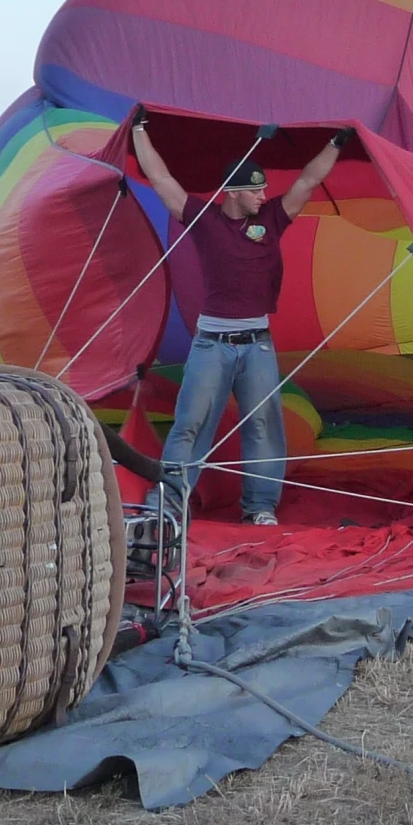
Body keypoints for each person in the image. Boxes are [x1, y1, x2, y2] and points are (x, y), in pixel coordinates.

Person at [130, 116, 353, 526]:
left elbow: (306, 181)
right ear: (234, 192)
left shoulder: (271, 218)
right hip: (211, 345)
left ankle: (260, 507)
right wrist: (139, 130)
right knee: (191, 424)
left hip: (258, 345)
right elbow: (160, 179)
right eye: (256, 189)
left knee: (266, 426)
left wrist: (337, 143)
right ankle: (169, 506)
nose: (264, 194)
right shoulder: (204, 221)